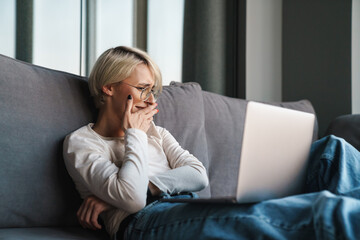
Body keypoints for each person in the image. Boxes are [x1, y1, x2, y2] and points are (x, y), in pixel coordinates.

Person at [63, 46, 360, 240]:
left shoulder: (159, 133)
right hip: (145, 222)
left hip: (185, 204)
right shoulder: (82, 143)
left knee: (333, 150)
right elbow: (132, 200)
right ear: (109, 87)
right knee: (319, 210)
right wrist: (135, 135)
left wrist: (146, 185)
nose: (152, 100)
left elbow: (197, 175)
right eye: (143, 89)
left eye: (153, 90)